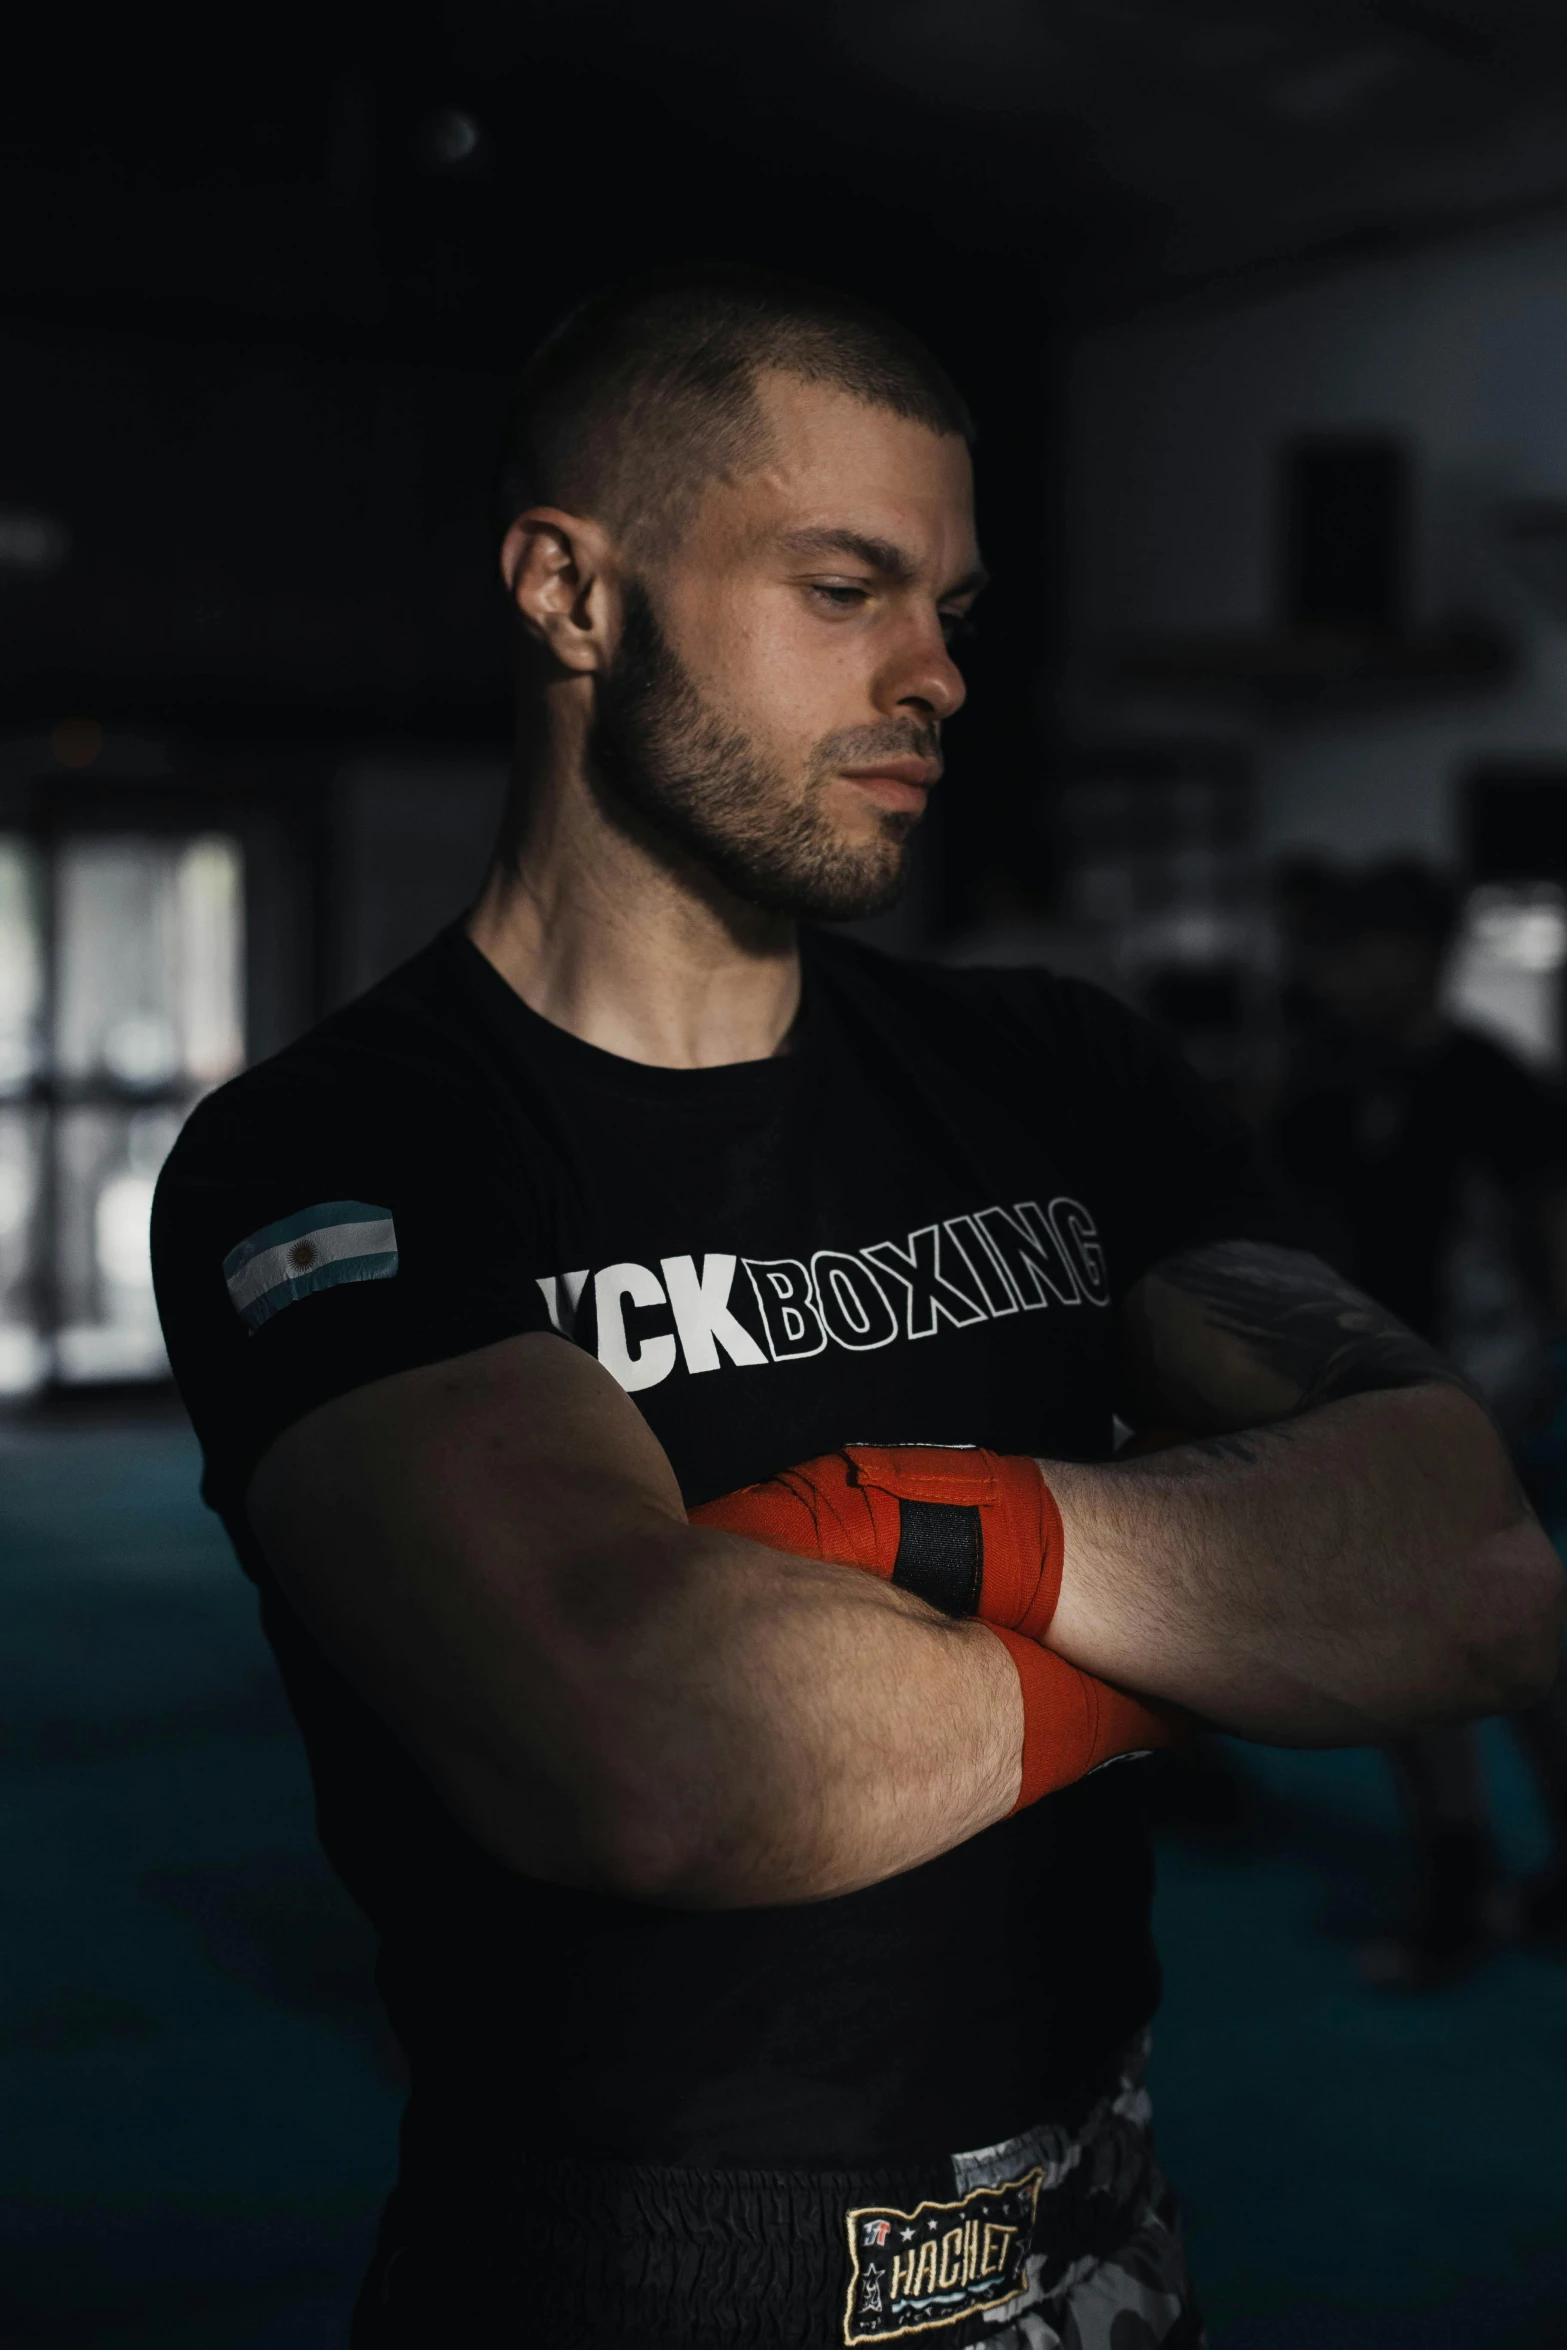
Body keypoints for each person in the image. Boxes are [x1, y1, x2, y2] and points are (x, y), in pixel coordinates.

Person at [150, 271, 1562, 2349]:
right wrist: (1239, 1636)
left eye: (953, 609)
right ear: (571, 593)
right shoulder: (342, 1152)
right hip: (645, 2266)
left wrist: (914, 1526)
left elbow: (1475, 1566)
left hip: (1109, 2226)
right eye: (844, 587)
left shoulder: (1058, 1074)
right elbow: (653, 1743)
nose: (937, 677)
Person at [1271, 858, 1567, 1985]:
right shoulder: (1321, 1089)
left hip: (1481, 1395)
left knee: (1456, 1649)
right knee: (1476, 1645)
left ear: (1421, 954)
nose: (1341, 972)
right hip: (1379, 1393)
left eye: (1363, 948)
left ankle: (1458, 1885)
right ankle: (1467, 1872)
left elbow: (1545, 1233)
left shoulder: (1486, 1080)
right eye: (1333, 950)